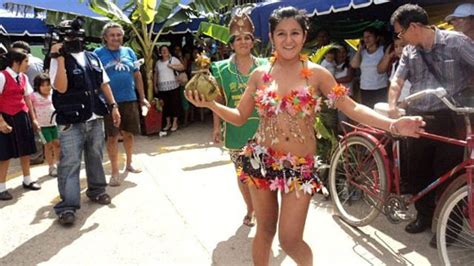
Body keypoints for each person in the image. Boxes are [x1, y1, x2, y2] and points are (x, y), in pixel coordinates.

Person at [186, 7, 424, 265]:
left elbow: (351, 107)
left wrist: (394, 124)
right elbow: (240, 116)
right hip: (261, 161)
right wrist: (210, 106)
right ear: (271, 37)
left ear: (304, 35)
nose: (288, 40)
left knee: (289, 240)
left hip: (299, 168)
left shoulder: (318, 74)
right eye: (281, 33)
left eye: (295, 33)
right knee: (264, 232)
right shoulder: (259, 75)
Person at [388, 4, 474, 246]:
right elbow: (397, 80)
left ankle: (450, 228)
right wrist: (393, 104)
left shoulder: (456, 42)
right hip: (418, 119)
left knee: (448, 174)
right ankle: (424, 216)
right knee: (417, 172)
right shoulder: (410, 51)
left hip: (451, 118)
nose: (400, 38)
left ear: (414, 27)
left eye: (400, 32)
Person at [49, 19, 121, 226]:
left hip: (94, 117)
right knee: (70, 163)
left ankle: (97, 190)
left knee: (95, 156)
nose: (72, 39)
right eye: (68, 36)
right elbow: (61, 88)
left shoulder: (92, 57)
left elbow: (103, 83)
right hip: (71, 121)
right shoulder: (56, 59)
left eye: (74, 35)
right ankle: (67, 207)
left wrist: (113, 106)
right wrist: (60, 58)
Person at [210, 11, 268, 227]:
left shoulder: (266, 65)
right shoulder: (219, 69)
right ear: (232, 43)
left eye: (247, 38)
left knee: (265, 173)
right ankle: (250, 208)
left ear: (253, 42)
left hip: (264, 130)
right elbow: (218, 100)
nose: (243, 41)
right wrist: (217, 127)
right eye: (238, 38)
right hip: (235, 129)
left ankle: (266, 211)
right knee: (243, 174)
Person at [94, 22, 150, 186]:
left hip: (130, 99)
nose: (116, 38)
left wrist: (142, 97)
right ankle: (114, 171)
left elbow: (137, 76)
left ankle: (129, 163)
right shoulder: (97, 54)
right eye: (112, 35)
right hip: (110, 103)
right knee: (112, 136)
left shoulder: (129, 52)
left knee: (129, 133)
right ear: (105, 37)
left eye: (118, 35)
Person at [0, 48, 42, 201]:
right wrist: (1, 121)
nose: (28, 65)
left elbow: (27, 99)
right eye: (26, 61)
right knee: (5, 154)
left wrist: (33, 118)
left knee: (26, 149)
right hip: (6, 117)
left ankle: (27, 179)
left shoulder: (23, 77)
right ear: (16, 62)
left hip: (21, 116)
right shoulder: (2, 77)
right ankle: (1, 187)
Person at [11, 41, 46, 165]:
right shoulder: (39, 60)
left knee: (34, 128)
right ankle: (46, 152)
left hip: (30, 98)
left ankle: (36, 155)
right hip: (44, 96)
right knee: (43, 126)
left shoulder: (23, 65)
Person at [350, 26, 388, 108]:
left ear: (377, 38)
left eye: (369, 37)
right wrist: (360, 49)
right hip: (365, 88)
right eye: (364, 37)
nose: (366, 39)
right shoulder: (362, 53)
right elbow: (354, 65)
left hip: (380, 87)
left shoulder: (383, 50)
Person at [30, 73, 60, 177]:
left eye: (48, 84)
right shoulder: (33, 96)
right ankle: (51, 166)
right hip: (42, 127)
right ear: (38, 86)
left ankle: (58, 163)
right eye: (43, 85)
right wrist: (34, 121)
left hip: (54, 124)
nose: (46, 87)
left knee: (57, 143)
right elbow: (30, 109)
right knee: (48, 145)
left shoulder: (53, 93)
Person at [154, 45, 185, 132]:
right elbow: (156, 74)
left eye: (166, 50)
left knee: (175, 105)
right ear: (160, 52)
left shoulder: (173, 59)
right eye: (162, 50)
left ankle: (175, 122)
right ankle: (168, 123)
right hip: (162, 88)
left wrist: (172, 66)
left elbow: (182, 67)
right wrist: (155, 85)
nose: (164, 52)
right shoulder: (158, 63)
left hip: (173, 86)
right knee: (165, 106)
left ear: (169, 51)